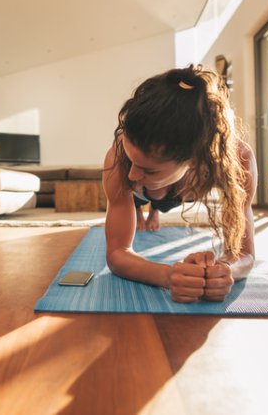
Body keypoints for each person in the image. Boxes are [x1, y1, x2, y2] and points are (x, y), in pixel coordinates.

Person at [102, 64, 258, 303]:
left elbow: (245, 254)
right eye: (133, 161)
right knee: (134, 185)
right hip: (143, 196)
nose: (132, 175)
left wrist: (224, 270)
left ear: (195, 161)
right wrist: (168, 275)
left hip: (185, 185)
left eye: (148, 169)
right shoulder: (120, 158)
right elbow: (116, 253)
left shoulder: (239, 160)